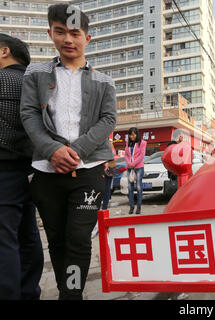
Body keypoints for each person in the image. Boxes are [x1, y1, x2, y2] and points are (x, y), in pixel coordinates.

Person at [20, 4, 117, 300]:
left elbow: (108, 119)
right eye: (60, 32)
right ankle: (66, 290)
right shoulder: (35, 73)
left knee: (78, 238)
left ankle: (71, 295)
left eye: (75, 33)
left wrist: (73, 150)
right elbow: (28, 114)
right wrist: (52, 151)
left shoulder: (104, 81)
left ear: (87, 38)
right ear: (50, 33)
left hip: (89, 171)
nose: (68, 40)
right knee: (58, 240)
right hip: (46, 172)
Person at [0, 34, 44, 300]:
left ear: (4, 51)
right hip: (30, 170)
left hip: (3, 169)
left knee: (3, 240)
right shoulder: (36, 82)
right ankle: (29, 292)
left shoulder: (2, 79)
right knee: (28, 235)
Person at [125, 127, 147, 215]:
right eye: (130, 135)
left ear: (137, 134)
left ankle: (138, 207)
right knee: (130, 188)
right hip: (129, 168)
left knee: (138, 187)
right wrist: (129, 163)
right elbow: (126, 155)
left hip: (139, 168)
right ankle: (131, 207)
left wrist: (133, 163)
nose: (132, 136)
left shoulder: (142, 143)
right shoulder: (128, 143)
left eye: (133, 134)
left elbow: (142, 155)